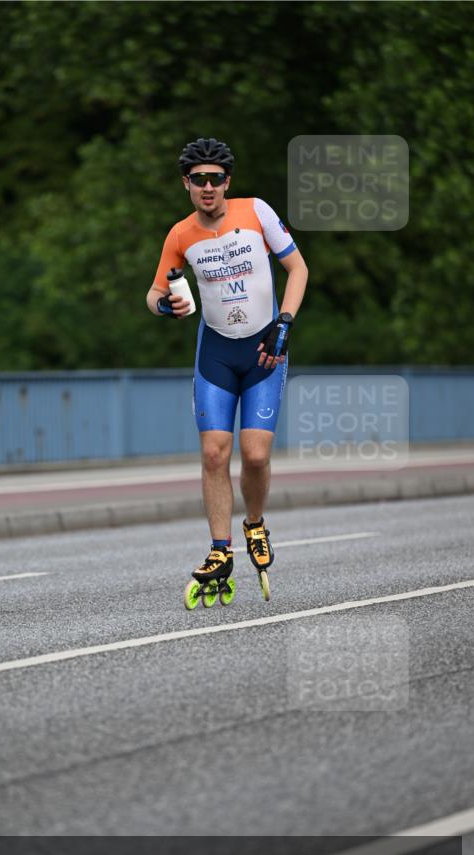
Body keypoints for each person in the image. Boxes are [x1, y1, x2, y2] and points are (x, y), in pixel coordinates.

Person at [146, 137, 308, 602]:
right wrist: (165, 307)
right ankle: (220, 549)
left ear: (227, 182)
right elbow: (154, 292)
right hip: (215, 354)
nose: (208, 187)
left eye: (216, 179)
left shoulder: (256, 211)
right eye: (199, 180)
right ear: (187, 185)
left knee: (255, 455)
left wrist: (285, 322)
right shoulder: (180, 235)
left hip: (264, 352)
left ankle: (254, 523)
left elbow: (298, 269)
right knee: (215, 454)